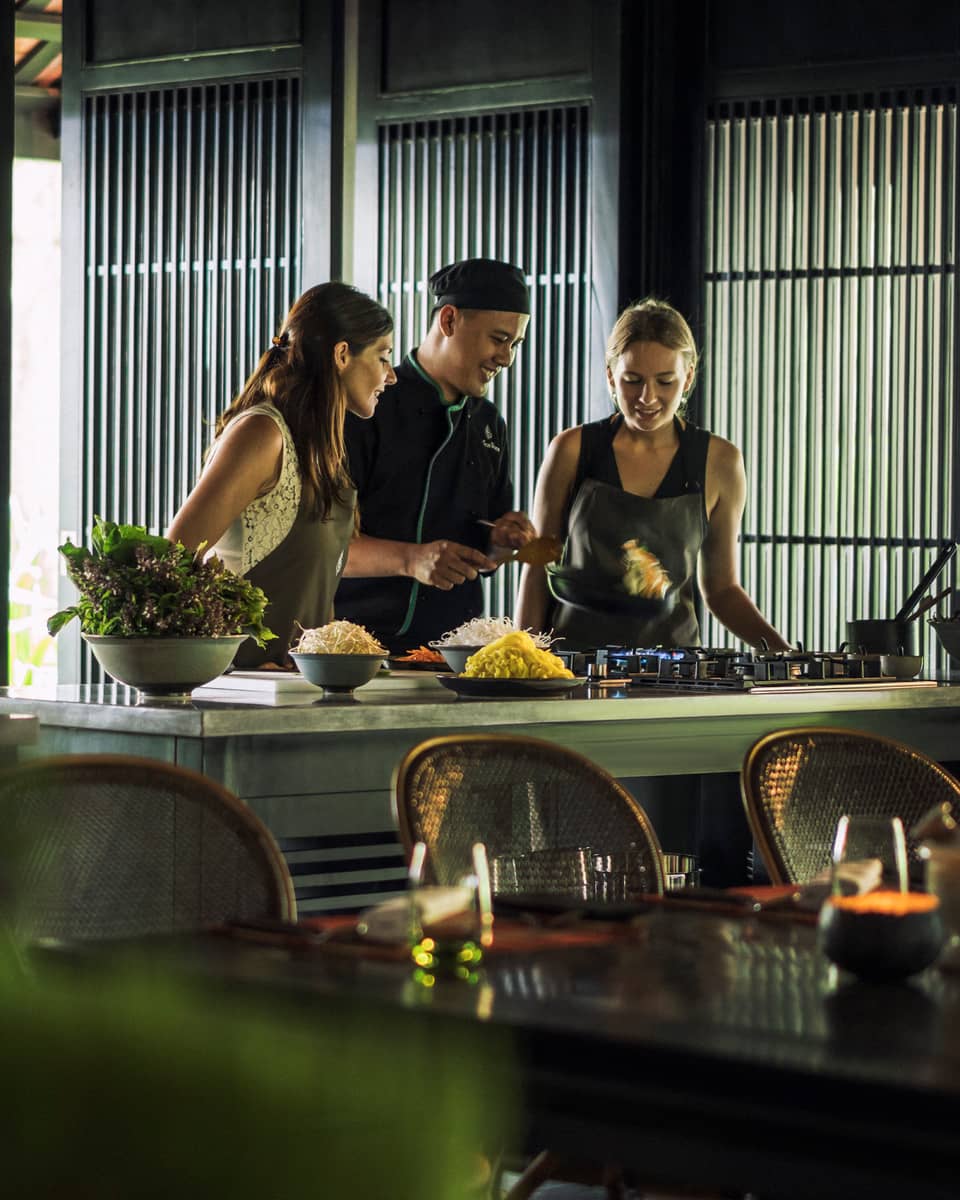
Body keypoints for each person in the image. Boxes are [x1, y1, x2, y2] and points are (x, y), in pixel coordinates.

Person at [515, 296, 790, 652]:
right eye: (632, 380)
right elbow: (538, 567)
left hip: (677, 672)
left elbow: (722, 590)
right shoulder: (571, 450)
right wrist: (523, 661)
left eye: (665, 381)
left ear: (688, 377)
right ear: (611, 376)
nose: (647, 397)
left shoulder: (720, 462)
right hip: (574, 667)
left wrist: (786, 655)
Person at [167, 282, 395, 668]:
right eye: (383, 357)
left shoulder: (323, 449)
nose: (390, 377)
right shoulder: (262, 434)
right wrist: (235, 661)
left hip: (300, 692)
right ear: (342, 354)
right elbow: (171, 561)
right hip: (239, 695)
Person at [335, 258, 537, 655]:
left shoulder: (490, 424)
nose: (507, 358)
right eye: (498, 339)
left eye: (515, 344)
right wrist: (411, 560)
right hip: (356, 649)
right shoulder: (368, 405)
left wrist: (500, 543)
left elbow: (485, 549)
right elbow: (323, 547)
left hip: (452, 654)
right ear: (448, 320)